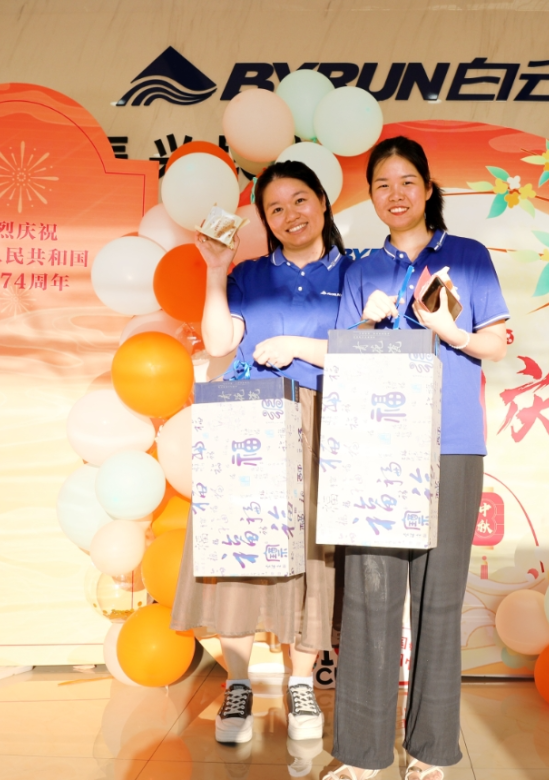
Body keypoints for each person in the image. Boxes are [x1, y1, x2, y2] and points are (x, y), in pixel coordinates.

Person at [326, 137, 509, 780]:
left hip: (452, 442)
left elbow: (497, 341)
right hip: (375, 449)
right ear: (371, 196)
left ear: (428, 189)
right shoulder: (361, 269)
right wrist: (365, 326)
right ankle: (363, 756)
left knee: (440, 597)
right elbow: (342, 356)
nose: (395, 194)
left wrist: (450, 331)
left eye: (407, 181)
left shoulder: (468, 255)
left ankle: (430, 752)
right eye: (382, 184)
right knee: (370, 598)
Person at [172, 160, 349, 748]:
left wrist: (300, 346)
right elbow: (219, 341)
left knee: (315, 556)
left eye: (300, 200)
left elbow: (371, 348)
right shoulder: (249, 274)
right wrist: (215, 270)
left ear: (322, 201)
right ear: (265, 221)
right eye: (275, 208)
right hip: (250, 420)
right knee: (239, 553)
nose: (290, 215)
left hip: (324, 421)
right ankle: (239, 683)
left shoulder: (355, 270)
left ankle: (301, 685)